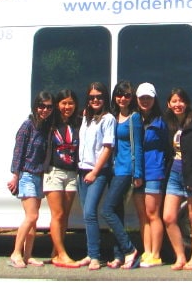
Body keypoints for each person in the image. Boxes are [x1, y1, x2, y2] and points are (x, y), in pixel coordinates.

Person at [162, 88, 192, 271]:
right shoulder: (169, 124)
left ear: (187, 103)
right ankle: (180, 256)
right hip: (174, 175)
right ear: (169, 104)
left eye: (181, 101)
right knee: (168, 217)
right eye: (174, 101)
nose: (177, 104)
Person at [6, 91, 54, 269]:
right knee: (31, 216)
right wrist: (15, 175)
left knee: (34, 219)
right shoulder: (27, 125)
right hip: (26, 174)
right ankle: (15, 252)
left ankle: (28, 255)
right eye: (42, 106)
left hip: (39, 176)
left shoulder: (46, 127)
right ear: (36, 107)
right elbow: (18, 151)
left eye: (49, 107)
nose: (45, 110)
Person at [101, 80, 144, 269]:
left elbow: (138, 146)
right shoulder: (113, 116)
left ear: (131, 98)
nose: (123, 98)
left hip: (126, 170)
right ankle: (118, 256)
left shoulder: (134, 118)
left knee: (107, 210)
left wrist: (138, 173)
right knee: (117, 211)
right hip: (113, 169)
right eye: (119, 94)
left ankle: (130, 250)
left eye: (127, 95)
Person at [77, 82, 115, 271]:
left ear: (104, 98)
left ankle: (95, 257)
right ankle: (90, 253)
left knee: (91, 212)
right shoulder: (86, 117)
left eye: (99, 96)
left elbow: (108, 148)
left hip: (97, 172)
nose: (95, 100)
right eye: (92, 97)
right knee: (86, 214)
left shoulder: (108, 119)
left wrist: (94, 172)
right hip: (82, 170)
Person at [131, 82, 170, 268]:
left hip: (154, 170)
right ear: (137, 100)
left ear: (154, 99)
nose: (145, 101)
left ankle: (156, 254)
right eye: (142, 98)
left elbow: (167, 146)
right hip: (138, 171)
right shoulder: (135, 119)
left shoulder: (162, 122)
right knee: (142, 215)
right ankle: (147, 251)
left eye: (148, 97)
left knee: (153, 213)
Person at [43, 89, 82, 268]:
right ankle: (62, 254)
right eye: (64, 103)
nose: (67, 107)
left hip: (71, 174)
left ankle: (56, 252)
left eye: (71, 103)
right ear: (58, 104)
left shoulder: (78, 124)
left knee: (65, 215)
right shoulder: (51, 123)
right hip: (54, 172)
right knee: (57, 214)